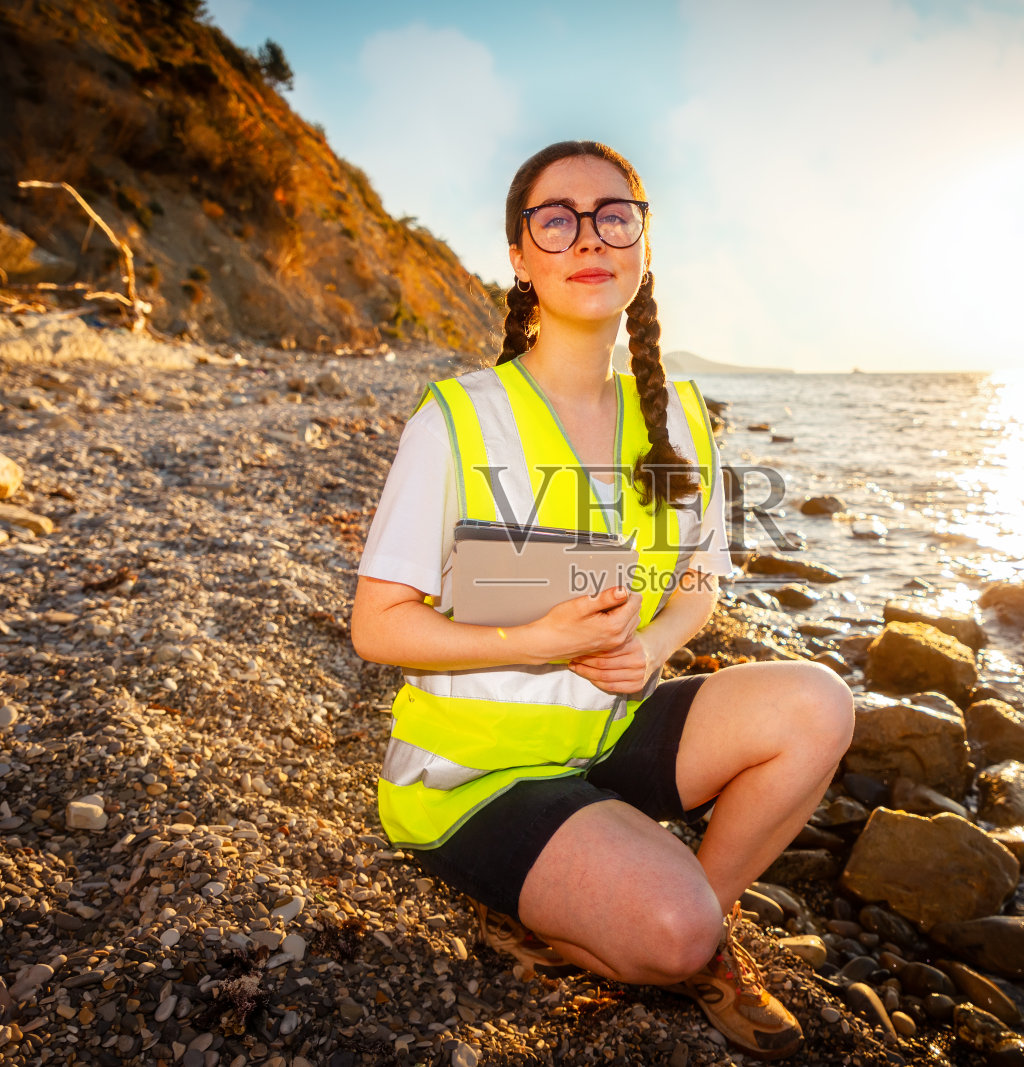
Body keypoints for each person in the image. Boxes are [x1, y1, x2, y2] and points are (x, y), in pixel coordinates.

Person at [349, 140, 854, 1060]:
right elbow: (377, 625)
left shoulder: (683, 418)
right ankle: (662, 923)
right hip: (477, 773)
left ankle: (698, 929)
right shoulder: (459, 418)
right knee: (668, 923)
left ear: (642, 243)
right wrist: (535, 636)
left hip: (609, 726)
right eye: (557, 218)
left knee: (820, 701)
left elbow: (698, 584)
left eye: (613, 215)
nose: (589, 236)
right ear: (520, 255)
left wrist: (656, 645)